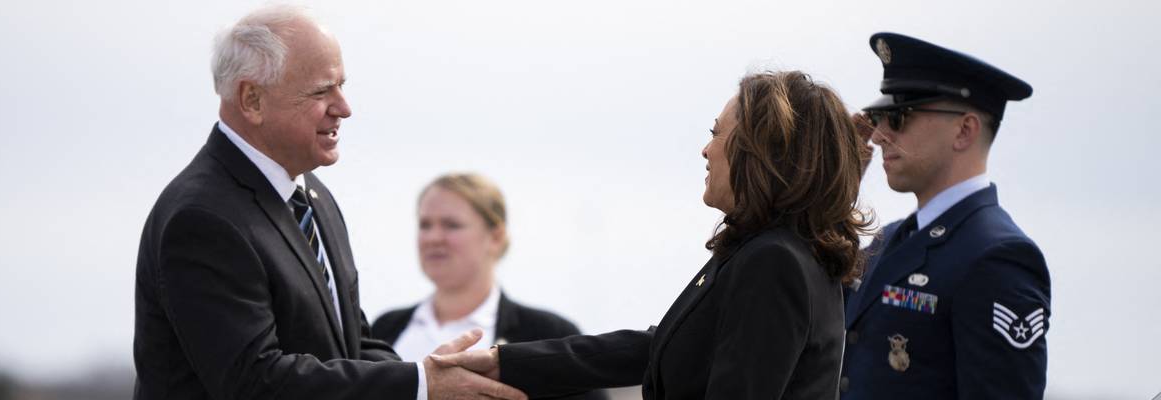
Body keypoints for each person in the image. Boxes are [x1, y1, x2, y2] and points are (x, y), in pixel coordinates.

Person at [132, 5, 525, 400]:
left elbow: (352, 345)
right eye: (322, 91)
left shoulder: (310, 195)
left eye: (341, 85)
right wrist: (421, 385)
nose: (344, 107)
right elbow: (255, 382)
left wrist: (430, 377)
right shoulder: (203, 218)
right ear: (251, 99)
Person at [434, 71, 871, 399]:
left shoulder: (773, 261)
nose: (706, 149)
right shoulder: (771, 250)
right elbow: (656, 345)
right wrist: (503, 363)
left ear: (763, 150)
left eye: (717, 133)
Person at [839, 32, 1051, 399]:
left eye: (898, 117)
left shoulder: (998, 257)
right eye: (878, 117)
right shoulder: (887, 241)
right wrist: (837, 190)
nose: (877, 136)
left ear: (964, 130)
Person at [372, 173, 608, 400]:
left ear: (495, 237)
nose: (433, 237)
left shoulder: (548, 334)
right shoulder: (385, 329)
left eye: (451, 225)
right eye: (425, 225)